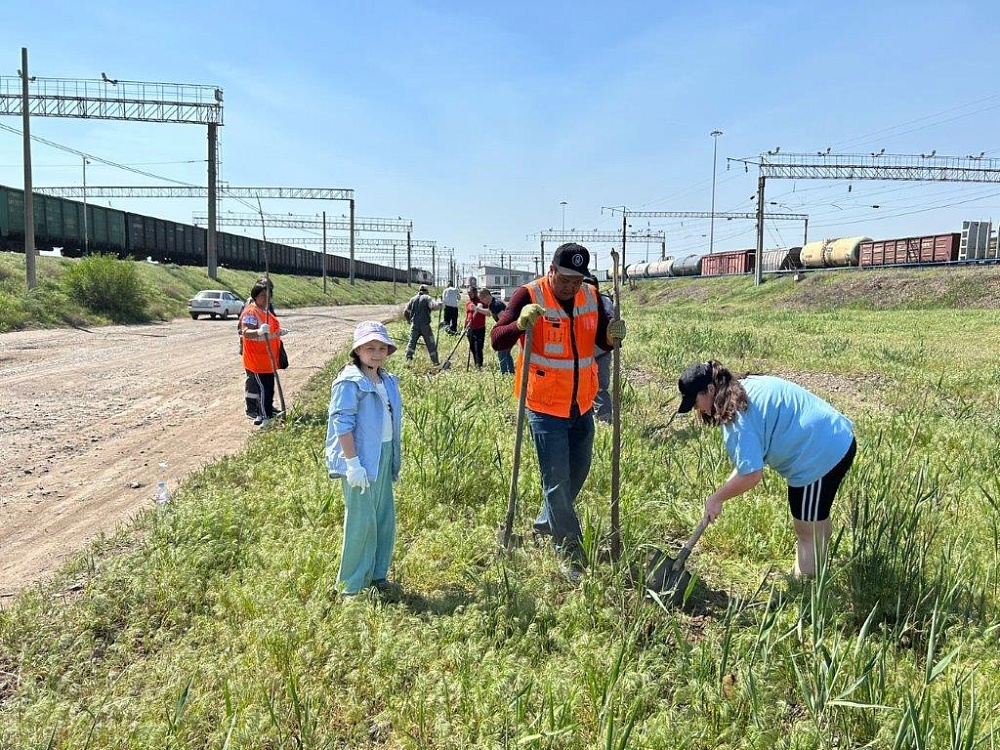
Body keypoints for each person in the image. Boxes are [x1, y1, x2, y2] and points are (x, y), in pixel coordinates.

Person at [490, 243, 627, 581]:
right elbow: (497, 339)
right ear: (551, 270)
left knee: (577, 471)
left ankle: (544, 524)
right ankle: (569, 550)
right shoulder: (528, 295)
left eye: (576, 280)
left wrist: (612, 337)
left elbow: (600, 342)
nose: (570, 286)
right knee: (556, 480)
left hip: (581, 403)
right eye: (564, 278)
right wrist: (520, 324)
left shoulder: (591, 297)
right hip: (544, 405)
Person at [675, 360, 857, 577]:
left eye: (695, 403)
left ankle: (805, 588)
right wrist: (719, 497)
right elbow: (747, 464)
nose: (697, 410)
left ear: (710, 389)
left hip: (817, 455)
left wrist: (716, 498)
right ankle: (817, 568)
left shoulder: (736, 417)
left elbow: (752, 475)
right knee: (815, 520)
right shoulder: (743, 388)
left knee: (807, 533)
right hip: (836, 436)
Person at [325, 321, 404, 595]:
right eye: (370, 348)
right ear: (357, 350)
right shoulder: (349, 381)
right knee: (361, 521)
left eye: (382, 348)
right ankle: (350, 586)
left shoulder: (387, 380)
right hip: (359, 459)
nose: (377, 353)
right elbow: (342, 424)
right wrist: (352, 464)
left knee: (383, 517)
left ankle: (377, 575)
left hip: (383, 453)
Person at [239, 281, 286, 426]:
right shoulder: (251, 312)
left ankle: (261, 414)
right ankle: (266, 418)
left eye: (268, 295)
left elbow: (268, 334)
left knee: (265, 388)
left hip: (267, 359)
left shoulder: (265, 311)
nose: (266, 298)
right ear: (255, 296)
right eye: (262, 295)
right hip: (258, 359)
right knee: (265, 388)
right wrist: (258, 331)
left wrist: (278, 333)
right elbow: (246, 332)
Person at [584, 274, 614, 422]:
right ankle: (588, 416)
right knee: (582, 387)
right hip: (582, 353)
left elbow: (610, 323)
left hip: (601, 352)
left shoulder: (605, 302)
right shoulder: (573, 301)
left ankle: (604, 418)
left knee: (600, 387)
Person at [403, 284, 442, 365]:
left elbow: (405, 311)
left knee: (412, 342)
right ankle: (435, 362)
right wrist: (440, 304)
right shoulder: (427, 298)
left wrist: (409, 321)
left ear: (419, 290)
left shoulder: (413, 299)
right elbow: (433, 306)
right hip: (425, 326)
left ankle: (407, 360)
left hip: (414, 325)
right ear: (427, 291)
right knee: (431, 343)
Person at [480, 289, 513, 374]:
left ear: (486, 296)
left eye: (482, 298)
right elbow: (489, 313)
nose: (482, 301)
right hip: (509, 331)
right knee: (506, 354)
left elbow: (504, 320)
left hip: (506, 331)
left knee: (502, 354)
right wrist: (477, 309)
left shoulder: (496, 305)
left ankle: (504, 374)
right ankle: (511, 373)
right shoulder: (492, 303)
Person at [465, 289, 491, 369]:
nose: (469, 295)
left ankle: (479, 366)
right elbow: (467, 316)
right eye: (468, 293)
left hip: (479, 329)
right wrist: (464, 327)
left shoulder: (481, 302)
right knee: (472, 348)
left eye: (471, 293)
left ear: (475, 293)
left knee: (478, 348)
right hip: (470, 329)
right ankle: (476, 363)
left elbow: (488, 313)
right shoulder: (468, 303)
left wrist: (477, 308)